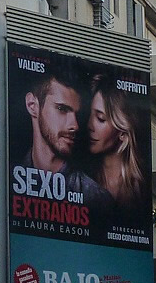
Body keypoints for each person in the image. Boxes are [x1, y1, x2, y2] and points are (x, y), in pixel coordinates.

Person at [19, 64, 113, 216]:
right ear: (32, 105)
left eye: (77, 114)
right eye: (62, 109)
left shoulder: (96, 199)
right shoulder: (3, 182)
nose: (74, 125)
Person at [85, 76, 147, 218]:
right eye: (89, 115)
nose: (89, 126)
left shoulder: (141, 188)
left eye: (100, 119)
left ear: (123, 133)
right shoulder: (82, 180)